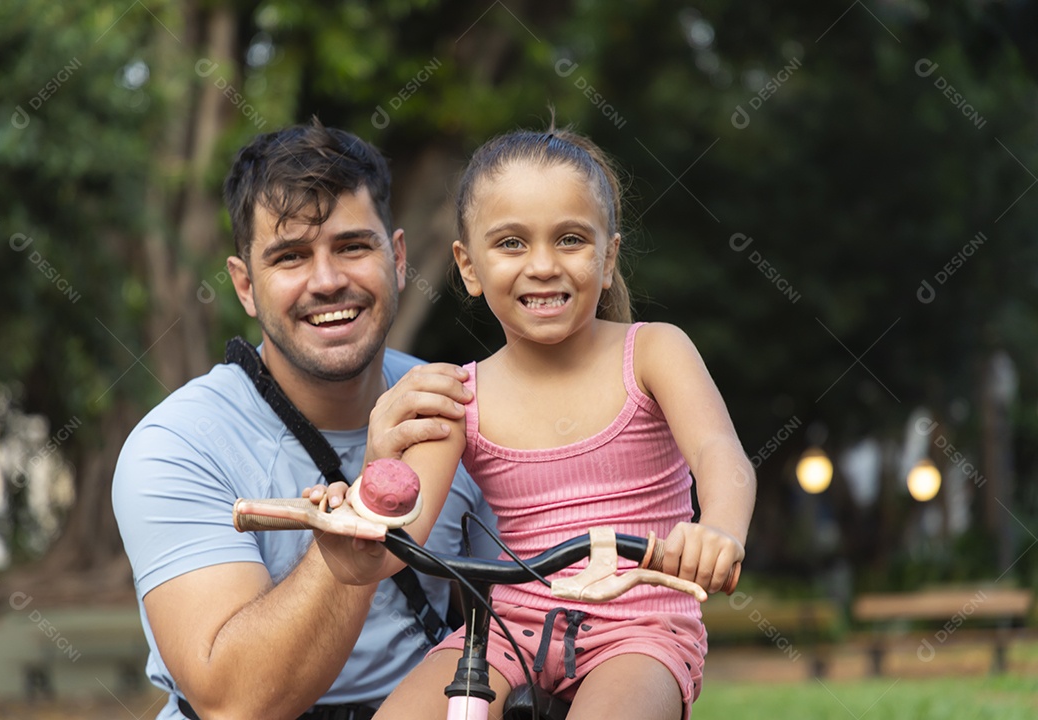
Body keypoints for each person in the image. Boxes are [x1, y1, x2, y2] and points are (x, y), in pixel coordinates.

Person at [318, 127, 756, 720]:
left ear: (607, 260)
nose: (543, 266)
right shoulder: (458, 395)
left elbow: (719, 454)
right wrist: (348, 535)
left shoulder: (654, 353)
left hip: (640, 627)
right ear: (469, 268)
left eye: (571, 239)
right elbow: (395, 546)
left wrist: (720, 533)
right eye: (511, 244)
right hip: (504, 631)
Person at [111, 117, 496, 720]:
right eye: (290, 257)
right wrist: (369, 504)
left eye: (351, 246)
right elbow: (235, 703)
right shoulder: (177, 446)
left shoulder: (462, 407)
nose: (327, 280)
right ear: (245, 286)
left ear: (397, 259)